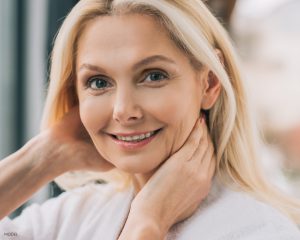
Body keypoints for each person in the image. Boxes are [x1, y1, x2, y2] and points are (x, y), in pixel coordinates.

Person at [1, 0, 300, 239]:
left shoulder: (258, 231)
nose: (122, 110)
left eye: (153, 76)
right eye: (98, 82)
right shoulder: (72, 216)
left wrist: (146, 224)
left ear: (209, 83)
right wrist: (39, 160)